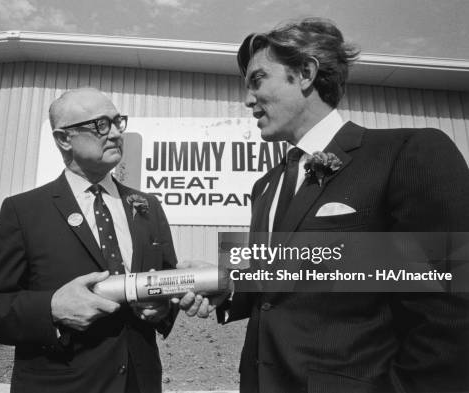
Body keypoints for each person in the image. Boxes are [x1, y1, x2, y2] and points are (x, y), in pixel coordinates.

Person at [180, 18, 469, 393]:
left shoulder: (410, 153)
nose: (247, 99)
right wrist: (225, 285)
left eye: (257, 80)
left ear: (305, 73)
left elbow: (449, 309)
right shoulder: (264, 186)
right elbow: (277, 278)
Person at [0, 87, 178, 393]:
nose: (117, 133)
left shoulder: (147, 206)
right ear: (63, 139)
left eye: (118, 121)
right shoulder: (24, 211)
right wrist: (52, 307)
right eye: (100, 125)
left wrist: (162, 307)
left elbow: (165, 282)